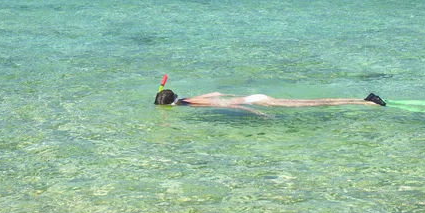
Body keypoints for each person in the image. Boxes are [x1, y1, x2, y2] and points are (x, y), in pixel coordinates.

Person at [154, 89, 386, 113]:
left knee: (311, 104)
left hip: (257, 102)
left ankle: (368, 103)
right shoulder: (190, 98)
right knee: (311, 101)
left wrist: (257, 113)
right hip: (255, 96)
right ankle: (362, 99)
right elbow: (216, 93)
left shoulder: (191, 105)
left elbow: (230, 105)